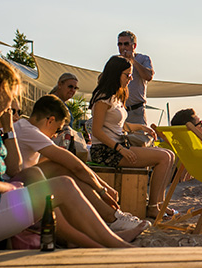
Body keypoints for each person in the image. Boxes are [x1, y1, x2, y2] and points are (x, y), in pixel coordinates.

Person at [0, 56, 135, 253]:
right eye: (11, 97)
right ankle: (116, 245)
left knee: (47, 179)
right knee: (63, 186)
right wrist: (11, 188)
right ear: (1, 88)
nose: (8, 107)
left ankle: (105, 240)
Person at [13, 95, 148, 237]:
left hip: (21, 186)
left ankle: (110, 219)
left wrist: (102, 186)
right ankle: (111, 218)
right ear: (50, 120)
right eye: (57, 129)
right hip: (17, 193)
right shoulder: (29, 131)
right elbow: (75, 166)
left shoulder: (23, 127)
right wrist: (102, 190)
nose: (55, 135)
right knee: (60, 168)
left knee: (61, 167)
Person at [89, 55, 176, 220]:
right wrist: (120, 149)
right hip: (105, 151)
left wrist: (141, 127)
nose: (131, 78)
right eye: (127, 75)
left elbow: (120, 126)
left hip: (116, 147)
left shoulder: (116, 95)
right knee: (164, 158)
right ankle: (153, 207)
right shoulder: (103, 98)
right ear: (116, 74)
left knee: (169, 155)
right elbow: (97, 131)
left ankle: (159, 204)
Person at [117, 30, 153, 126]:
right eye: (120, 44)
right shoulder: (115, 61)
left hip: (136, 110)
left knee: (140, 135)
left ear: (134, 46)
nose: (123, 47)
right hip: (118, 110)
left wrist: (133, 60)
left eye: (126, 44)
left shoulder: (143, 59)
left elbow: (148, 76)